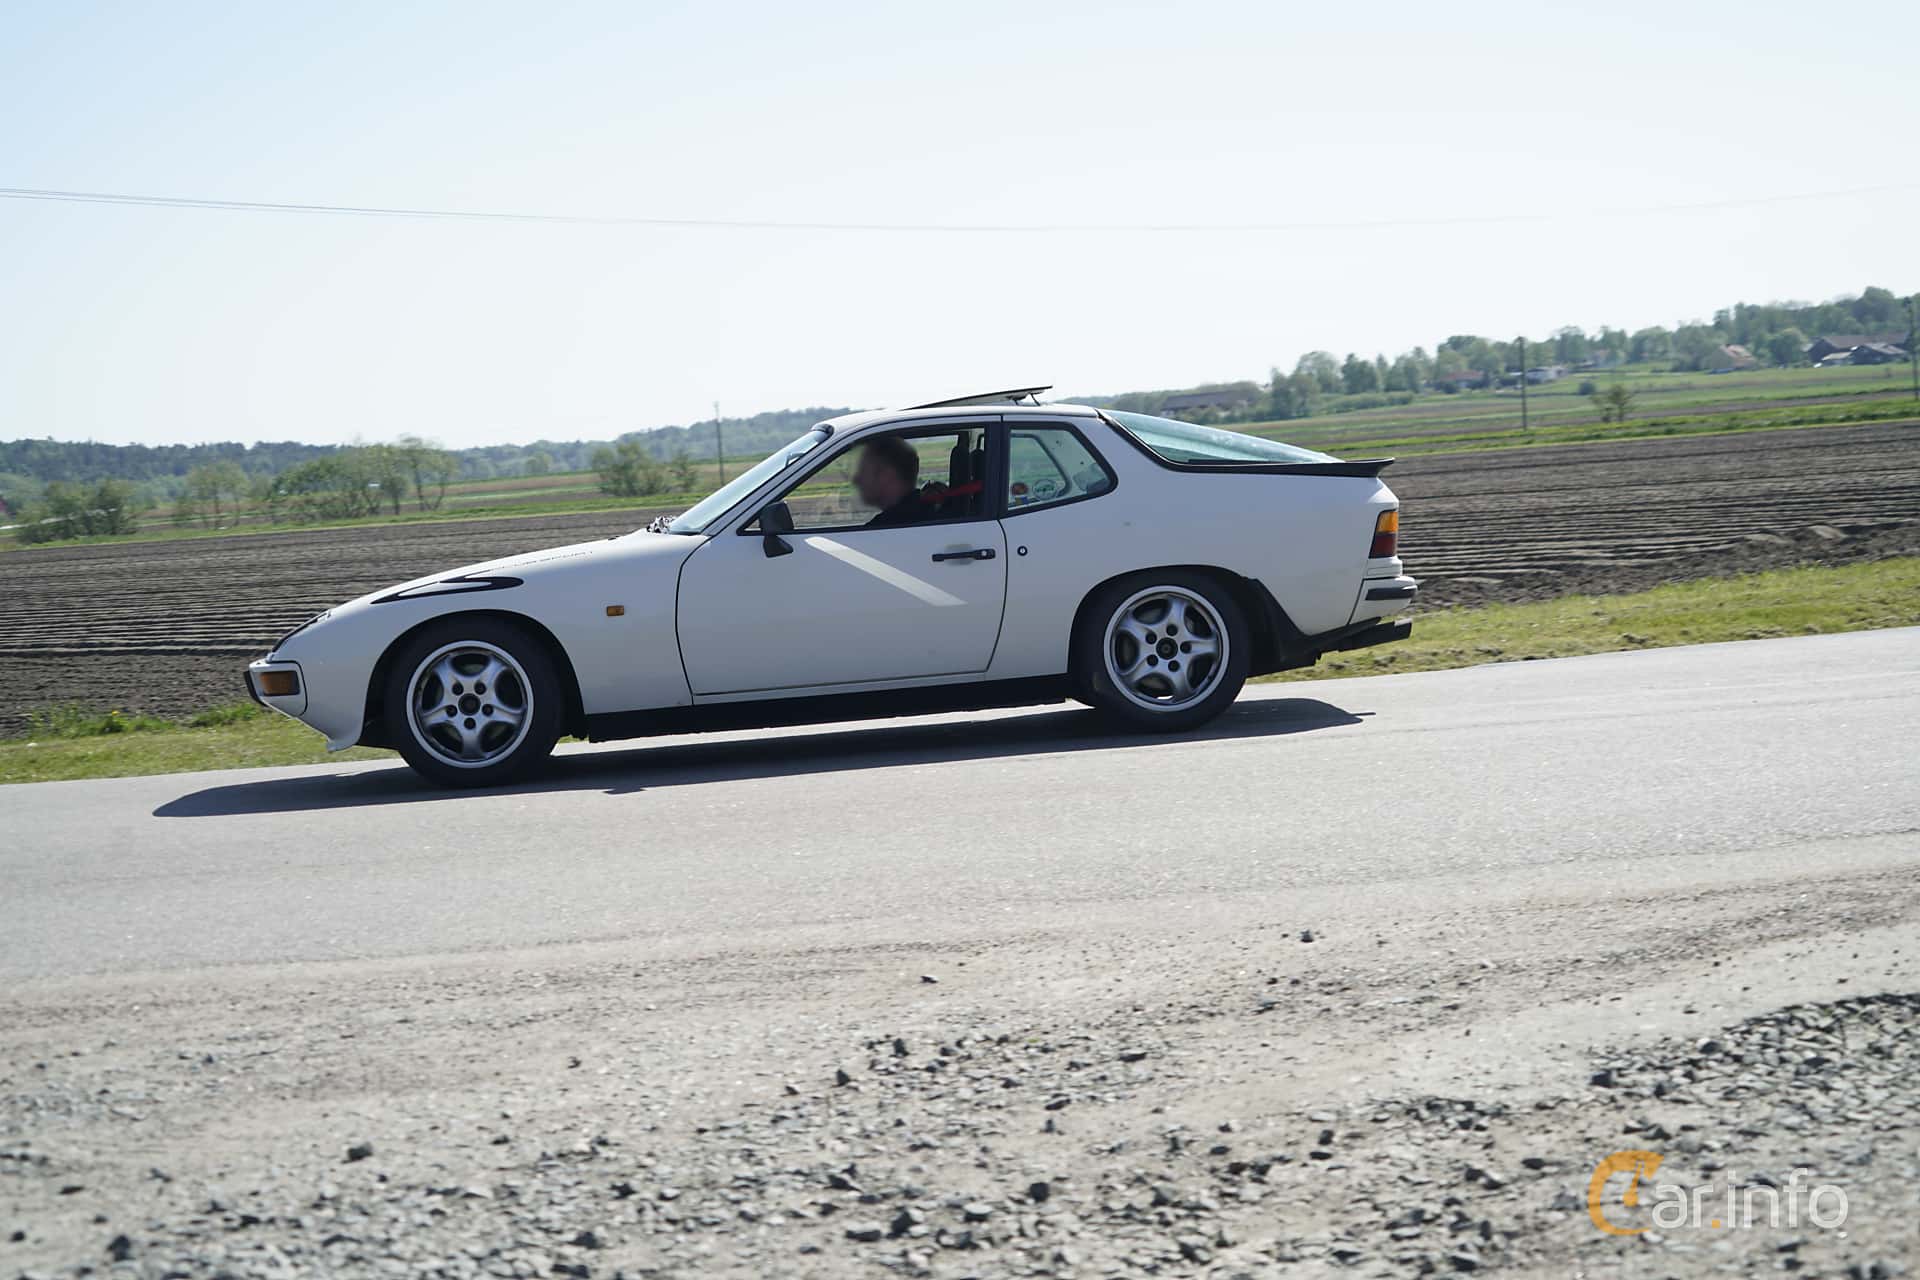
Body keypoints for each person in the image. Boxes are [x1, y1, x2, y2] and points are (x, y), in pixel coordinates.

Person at [855, 436, 930, 527]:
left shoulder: (880, 528)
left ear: (887, 475)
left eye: (863, 470)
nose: (856, 479)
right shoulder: (929, 509)